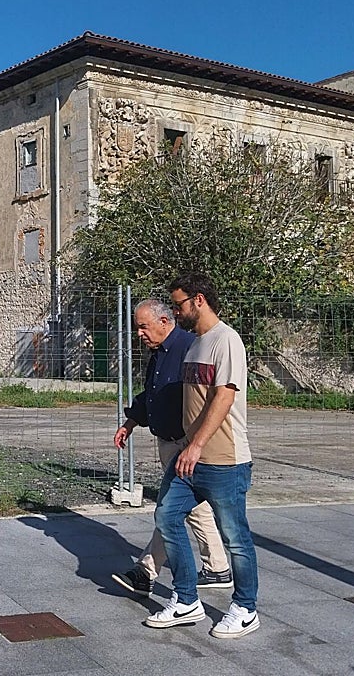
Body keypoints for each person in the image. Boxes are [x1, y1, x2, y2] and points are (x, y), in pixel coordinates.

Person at [144, 272, 260, 639]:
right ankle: (186, 600)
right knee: (167, 517)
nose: (176, 313)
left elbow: (224, 397)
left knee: (235, 537)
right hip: (189, 458)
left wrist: (195, 445)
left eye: (178, 304)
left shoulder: (227, 340)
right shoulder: (195, 344)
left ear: (198, 300)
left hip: (224, 460)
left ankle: (245, 608)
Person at [111, 299, 232, 596]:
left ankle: (146, 571)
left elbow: (210, 398)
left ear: (164, 321)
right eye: (137, 327)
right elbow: (154, 393)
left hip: (185, 445)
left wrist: (196, 444)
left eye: (143, 326)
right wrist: (132, 422)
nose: (139, 333)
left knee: (170, 510)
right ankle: (217, 568)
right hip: (170, 442)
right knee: (192, 509)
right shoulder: (160, 352)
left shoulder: (189, 349)